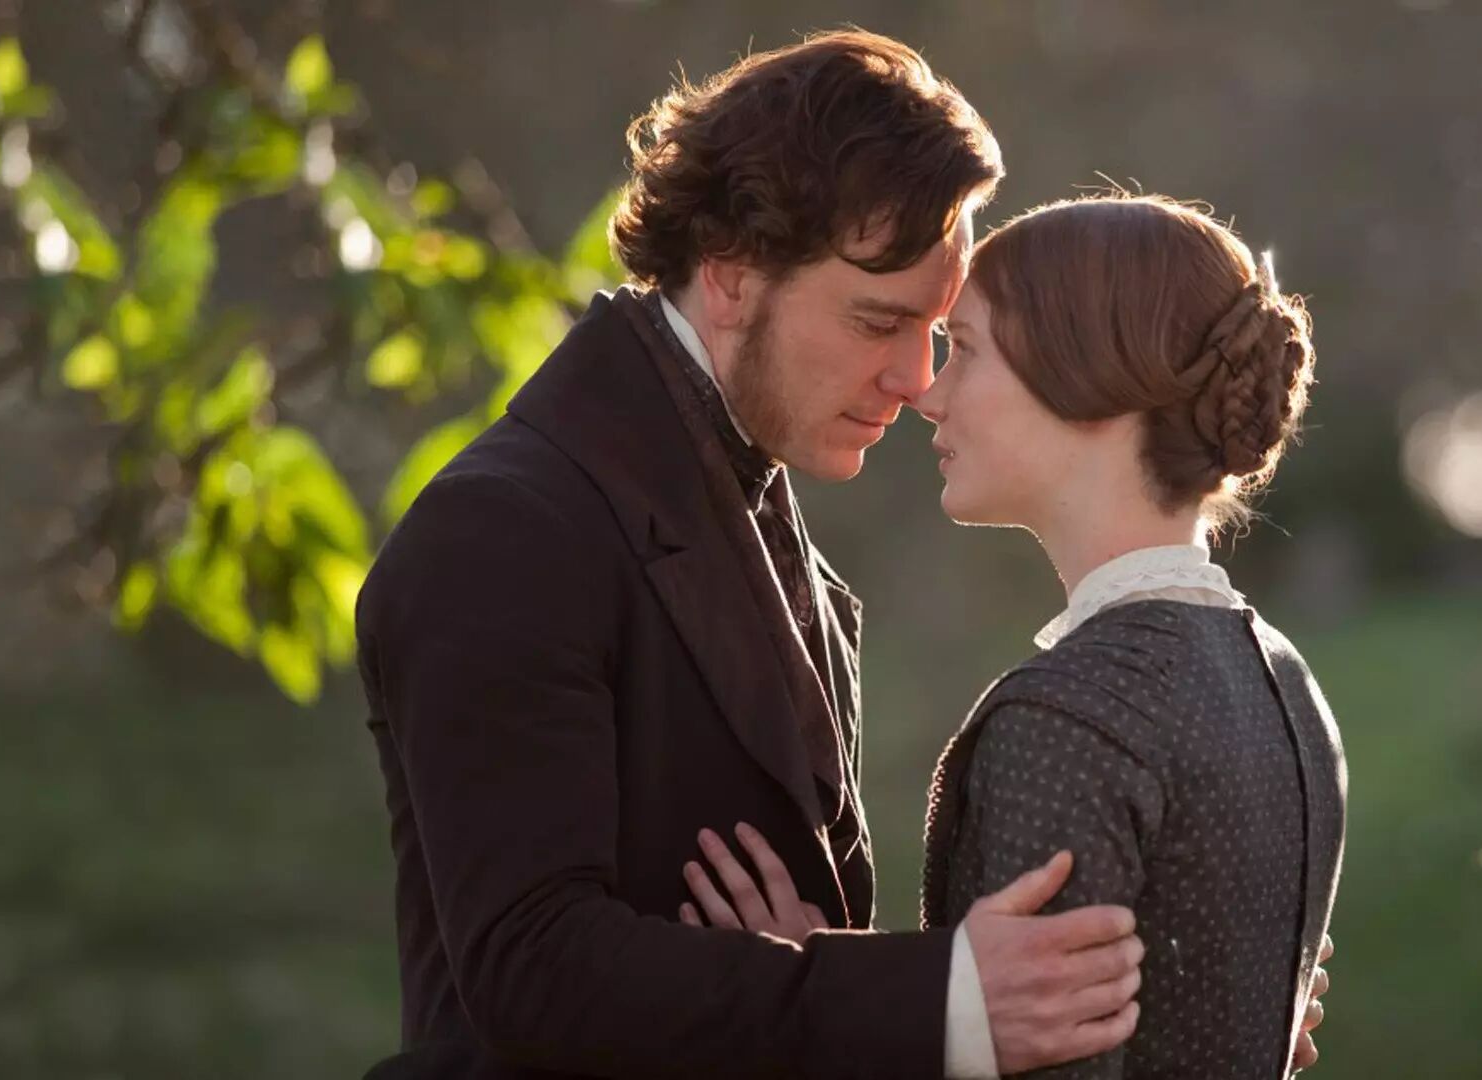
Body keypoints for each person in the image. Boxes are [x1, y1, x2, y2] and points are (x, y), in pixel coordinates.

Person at [355, 31, 1145, 1080]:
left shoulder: (763, 521)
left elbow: (797, 989)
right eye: (878, 320)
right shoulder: (503, 530)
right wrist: (939, 997)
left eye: (934, 329)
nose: (917, 377)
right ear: (730, 274)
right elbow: (533, 973)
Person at [685, 194, 1346, 1079]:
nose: (928, 394)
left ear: (1087, 381)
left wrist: (826, 1008)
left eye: (963, 349)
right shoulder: (1290, 687)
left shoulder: (1068, 723)